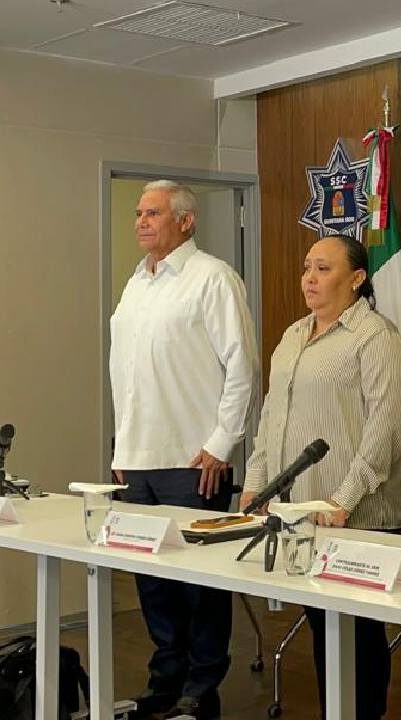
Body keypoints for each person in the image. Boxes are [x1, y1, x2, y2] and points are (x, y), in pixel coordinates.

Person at [240, 234, 401, 720]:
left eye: (323, 269)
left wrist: (344, 498)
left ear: (357, 278)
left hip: (359, 519)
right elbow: (272, 418)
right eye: (307, 268)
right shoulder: (294, 335)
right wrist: (256, 482)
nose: (309, 279)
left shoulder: (378, 339)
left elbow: (385, 431)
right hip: (301, 516)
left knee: (356, 636)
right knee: (323, 628)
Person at [110, 180, 259, 720]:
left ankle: (201, 686)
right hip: (139, 458)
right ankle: (165, 681)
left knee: (198, 585)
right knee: (152, 582)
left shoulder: (212, 278)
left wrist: (222, 444)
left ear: (186, 221)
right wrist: (122, 445)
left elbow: (242, 367)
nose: (140, 221)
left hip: (194, 460)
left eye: (153, 213)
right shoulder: (136, 284)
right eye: (138, 213)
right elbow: (125, 373)